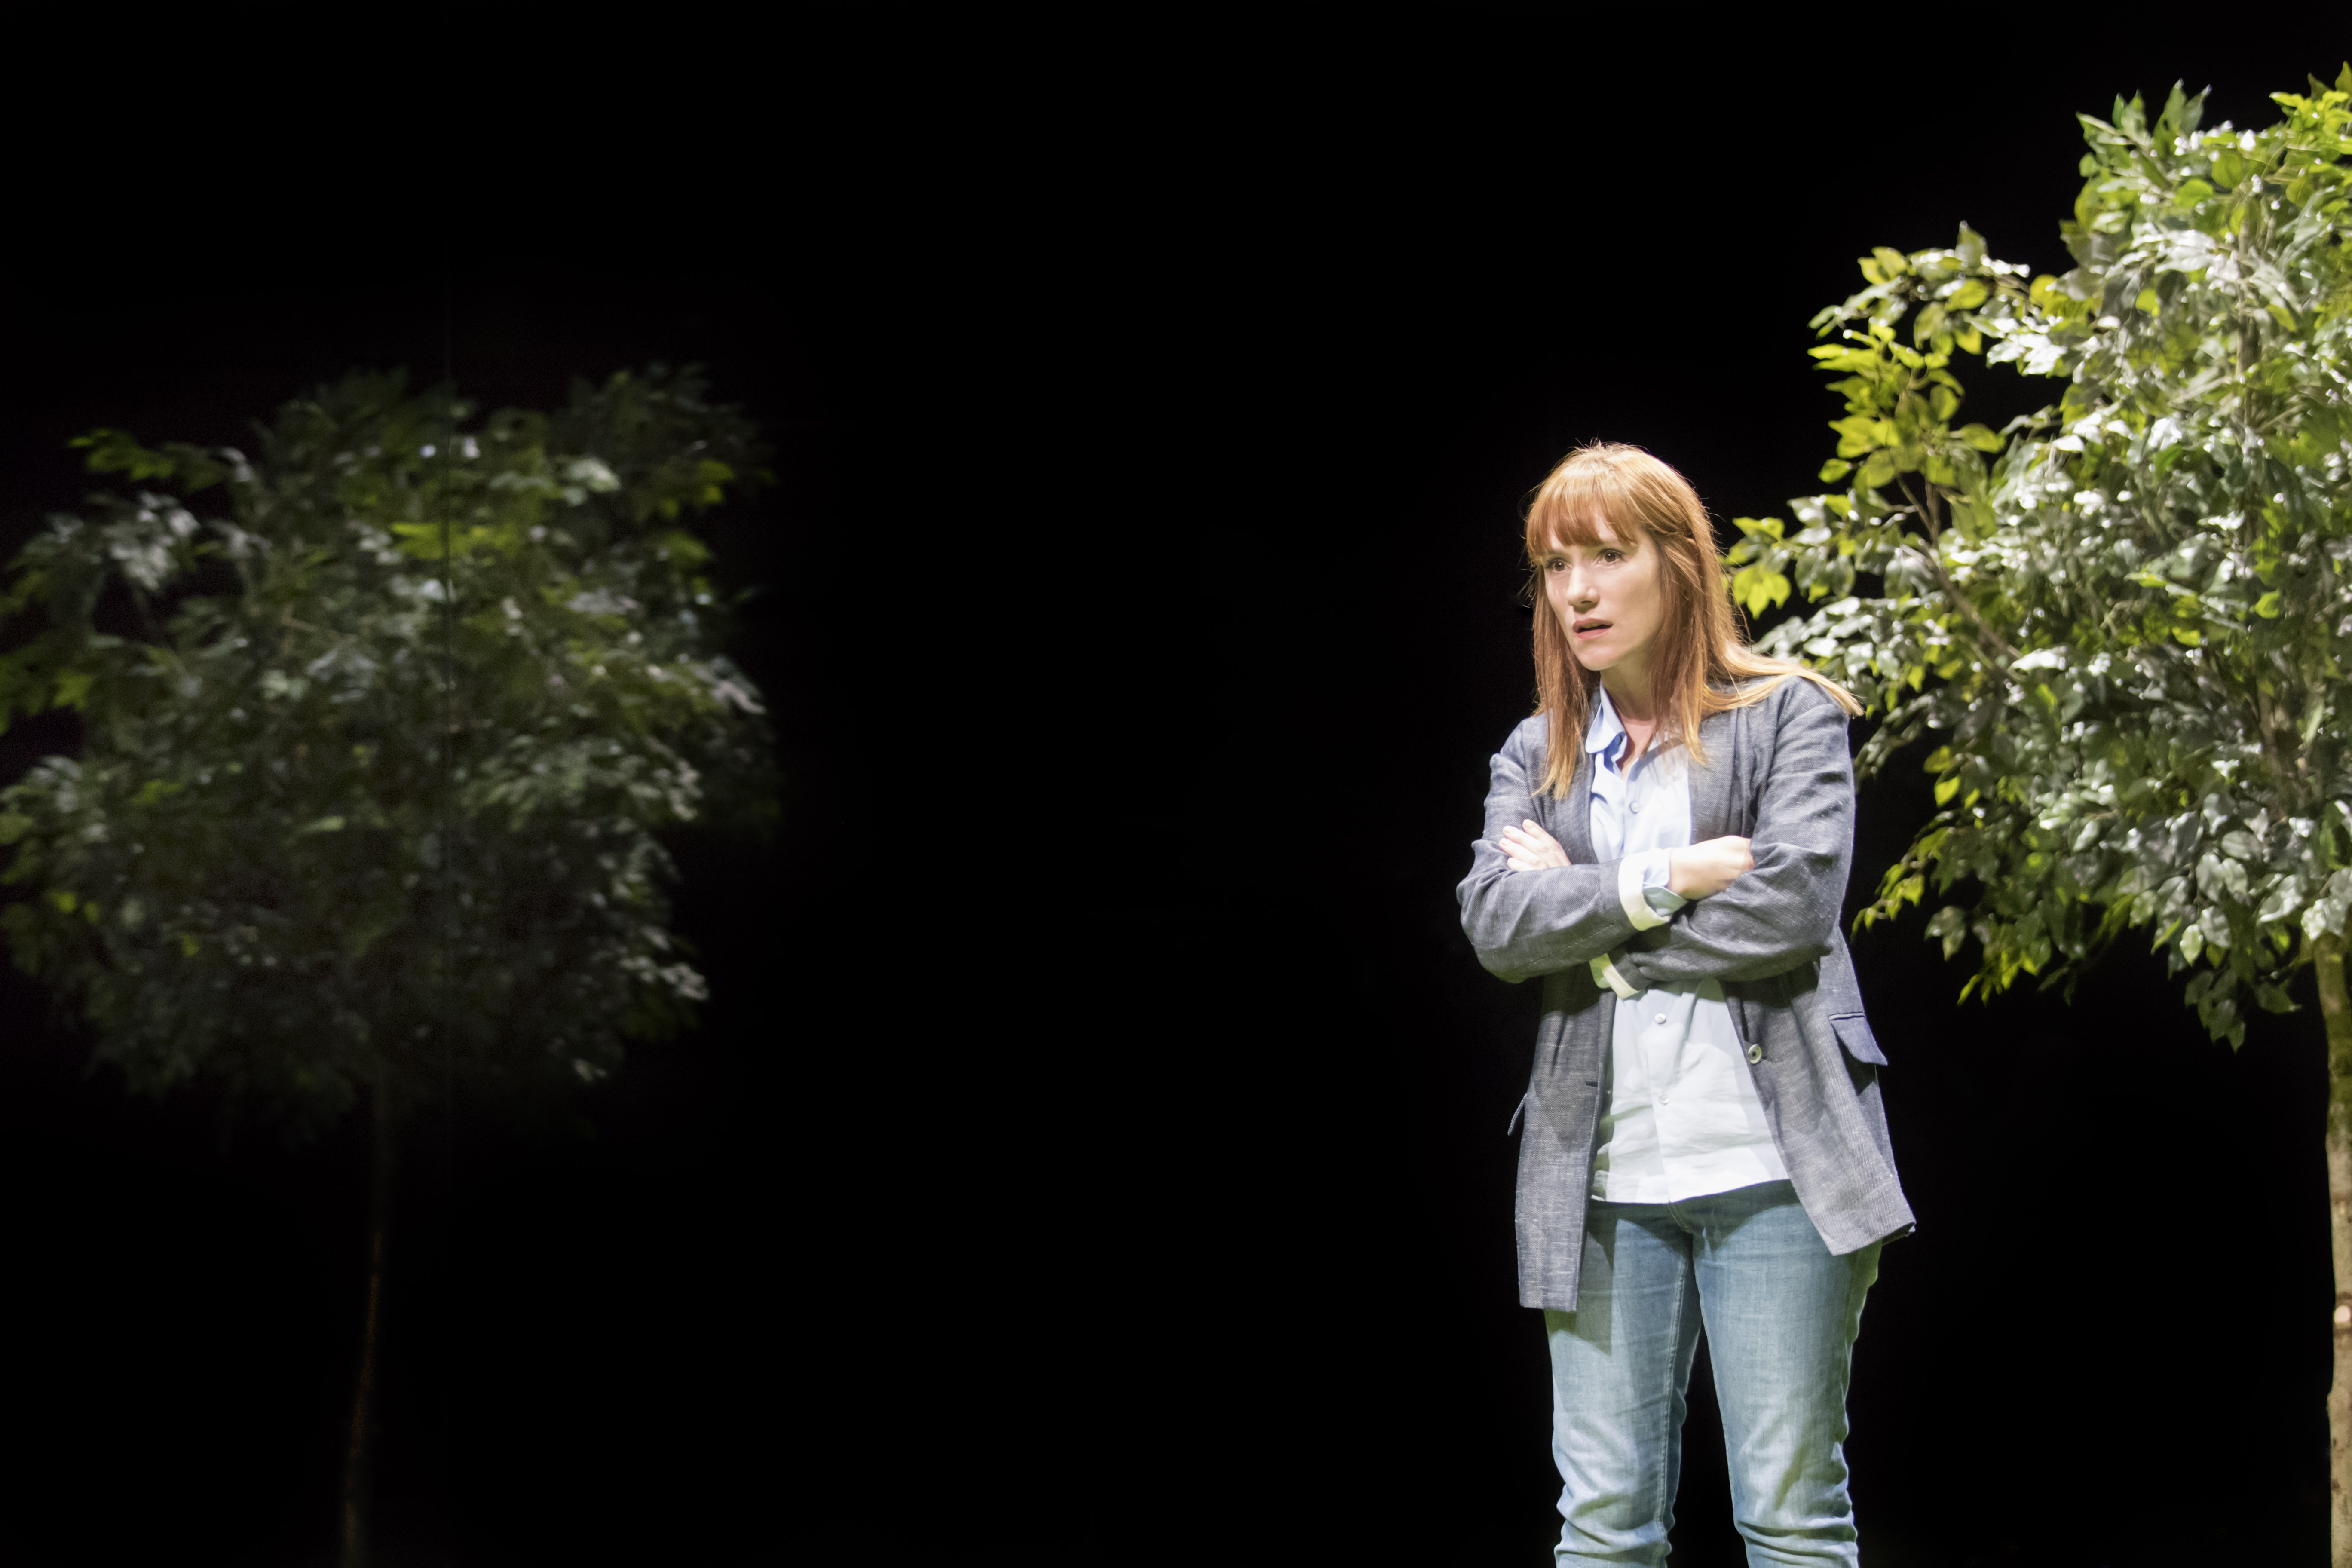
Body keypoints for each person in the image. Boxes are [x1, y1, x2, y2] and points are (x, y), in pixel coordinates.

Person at [1455, 443, 1914, 1566]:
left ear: (1678, 564)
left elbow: (1789, 913)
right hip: (1603, 1185)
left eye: (1608, 556)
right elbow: (1497, 927)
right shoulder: (1538, 756)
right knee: (1604, 1530)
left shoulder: (1789, 717)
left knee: (1792, 1520)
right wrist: (1663, 880)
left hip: (1779, 1173)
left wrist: (1599, 936)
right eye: (1555, 564)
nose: (1577, 590)